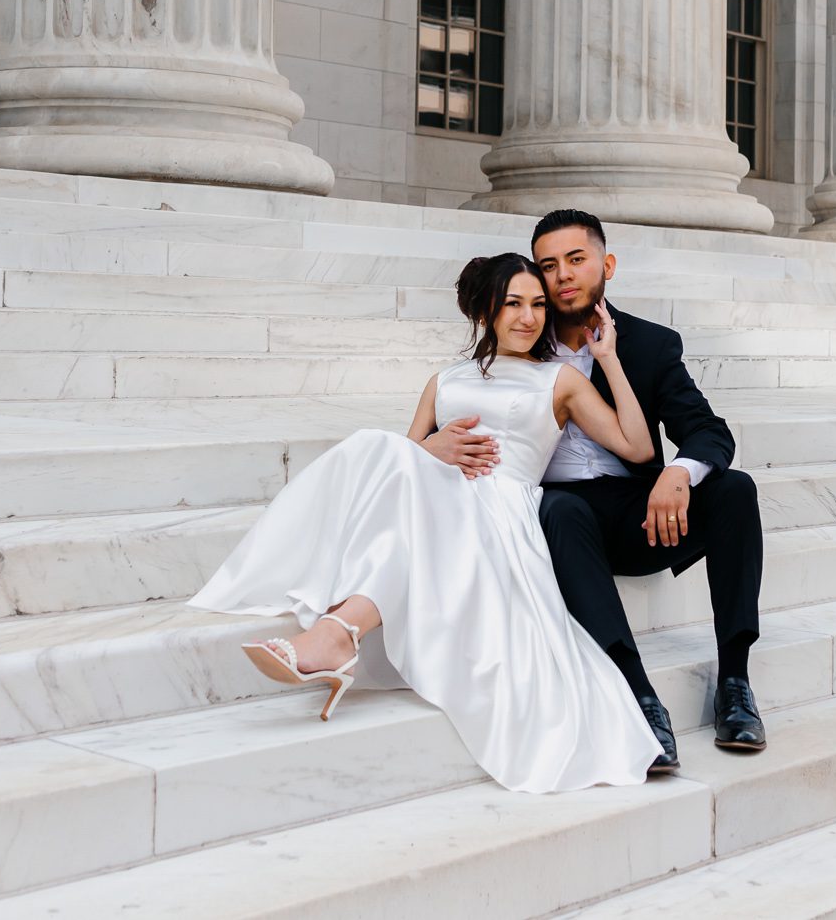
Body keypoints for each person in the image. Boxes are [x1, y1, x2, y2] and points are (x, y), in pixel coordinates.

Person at [190, 252, 664, 793]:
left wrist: (608, 360)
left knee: (393, 469)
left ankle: (338, 632)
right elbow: (399, 467)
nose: (529, 318)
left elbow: (637, 446)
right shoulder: (444, 381)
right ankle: (337, 634)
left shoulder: (559, 380)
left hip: (501, 517)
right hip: (436, 503)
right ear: (485, 312)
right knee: (375, 448)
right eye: (513, 304)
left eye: (538, 305)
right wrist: (431, 448)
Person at [422, 210, 766, 773]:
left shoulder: (650, 344)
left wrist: (679, 473)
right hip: (556, 521)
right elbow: (466, 406)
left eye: (576, 260)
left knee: (735, 490)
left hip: (642, 514)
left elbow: (708, 430)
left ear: (606, 266)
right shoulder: (520, 337)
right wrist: (435, 444)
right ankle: (638, 696)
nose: (562, 275)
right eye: (548, 265)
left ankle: (735, 682)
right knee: (562, 507)